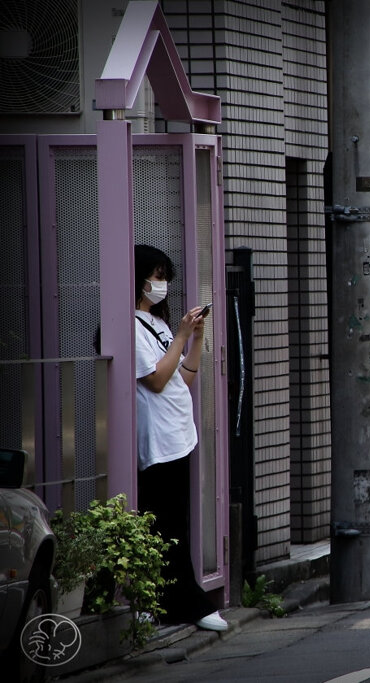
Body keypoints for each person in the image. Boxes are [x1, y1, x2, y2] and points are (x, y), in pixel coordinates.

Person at [134, 244, 227, 632]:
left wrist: (196, 338)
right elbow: (154, 381)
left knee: (173, 524)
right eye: (156, 276)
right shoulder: (131, 325)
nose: (162, 284)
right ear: (137, 278)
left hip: (178, 436)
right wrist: (181, 337)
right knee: (164, 526)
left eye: (165, 277)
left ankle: (169, 605)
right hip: (157, 440)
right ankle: (177, 605)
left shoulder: (157, 322)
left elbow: (182, 379)